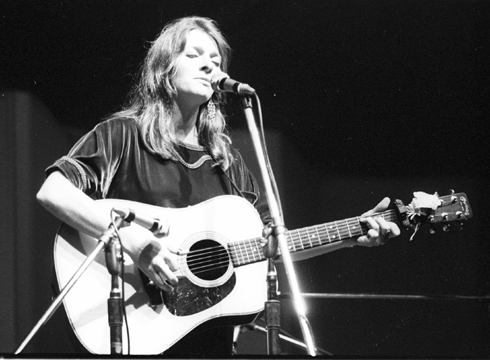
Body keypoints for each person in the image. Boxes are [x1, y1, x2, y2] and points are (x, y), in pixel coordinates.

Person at [36, 16, 400, 357]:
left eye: (215, 58)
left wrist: (350, 233)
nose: (210, 65)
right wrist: (130, 241)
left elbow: (271, 245)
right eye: (194, 55)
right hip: (134, 329)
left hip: (209, 343)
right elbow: (52, 191)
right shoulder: (122, 135)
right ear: (164, 68)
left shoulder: (226, 162)